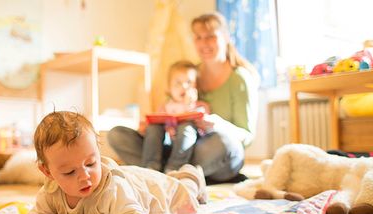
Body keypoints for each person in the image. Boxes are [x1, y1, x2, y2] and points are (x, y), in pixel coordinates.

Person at [107, 11, 259, 183]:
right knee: (117, 135)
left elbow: (247, 136)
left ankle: (167, 172)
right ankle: (167, 172)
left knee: (225, 144)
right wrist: (153, 126)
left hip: (214, 150)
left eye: (210, 36)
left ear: (225, 37)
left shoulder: (240, 79)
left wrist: (218, 125)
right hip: (179, 148)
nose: (204, 43)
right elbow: (171, 110)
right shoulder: (190, 74)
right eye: (198, 37)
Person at [28, 111, 207, 214]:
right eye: (69, 172)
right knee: (169, 180)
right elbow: (40, 213)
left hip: (157, 193)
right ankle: (179, 176)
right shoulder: (50, 192)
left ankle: (191, 176)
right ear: (48, 172)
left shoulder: (112, 188)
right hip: (135, 179)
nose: (84, 176)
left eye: (91, 164)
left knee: (186, 199)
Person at [142, 60, 210, 173]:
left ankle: (174, 169)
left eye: (189, 82)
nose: (184, 86)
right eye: (178, 83)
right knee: (153, 128)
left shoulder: (201, 106)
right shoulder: (165, 107)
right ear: (169, 87)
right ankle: (150, 167)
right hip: (166, 145)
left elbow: (204, 128)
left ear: (196, 86)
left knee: (186, 127)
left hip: (189, 150)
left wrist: (189, 105)